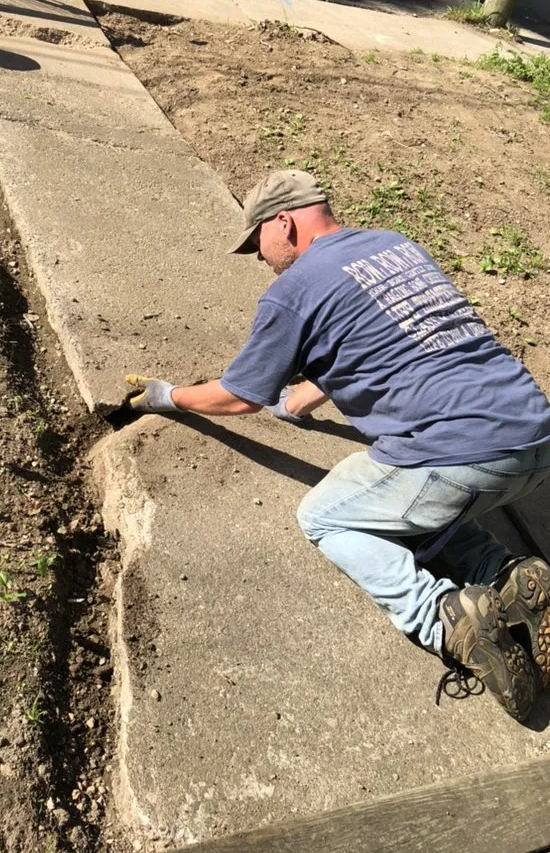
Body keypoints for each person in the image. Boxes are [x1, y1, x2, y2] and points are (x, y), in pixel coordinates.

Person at [125, 168, 550, 723]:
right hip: (533, 437)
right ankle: (509, 576)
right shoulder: (393, 248)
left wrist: (168, 395)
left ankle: (448, 619)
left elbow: (236, 398)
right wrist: (297, 402)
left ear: (285, 222)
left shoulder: (293, 291)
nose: (259, 256)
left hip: (461, 454)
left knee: (328, 517)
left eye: (257, 241)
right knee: (410, 506)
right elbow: (374, 339)